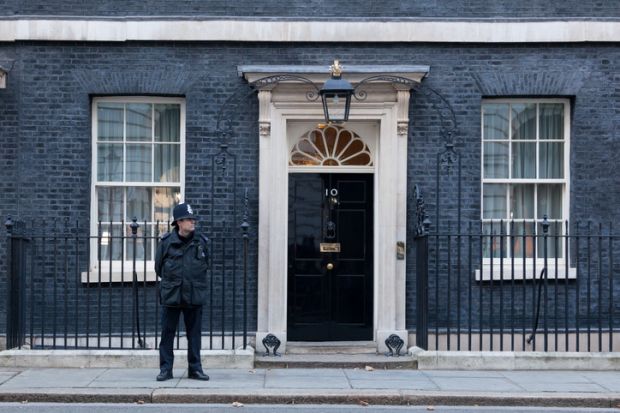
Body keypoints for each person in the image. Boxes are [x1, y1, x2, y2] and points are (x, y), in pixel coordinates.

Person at [155, 202, 210, 381]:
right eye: (189, 219)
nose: (193, 222)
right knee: (167, 334)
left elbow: (206, 264)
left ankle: (195, 369)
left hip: (194, 295)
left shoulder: (201, 242)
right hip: (172, 295)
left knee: (194, 335)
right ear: (179, 222)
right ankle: (165, 370)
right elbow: (158, 268)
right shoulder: (166, 243)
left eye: (193, 219)